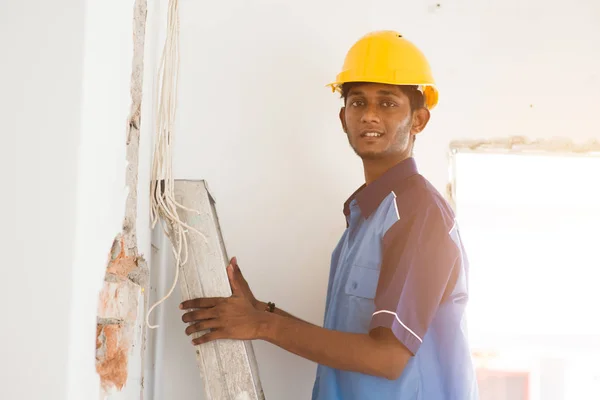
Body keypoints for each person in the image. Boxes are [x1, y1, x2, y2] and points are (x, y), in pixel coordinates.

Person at [179, 30, 479, 399]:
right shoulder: (366, 216)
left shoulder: (419, 214)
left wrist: (262, 325)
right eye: (358, 103)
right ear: (343, 118)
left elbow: (388, 358)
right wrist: (262, 312)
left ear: (418, 120)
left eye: (387, 103)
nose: (369, 115)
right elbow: (353, 342)